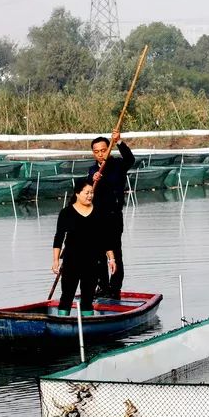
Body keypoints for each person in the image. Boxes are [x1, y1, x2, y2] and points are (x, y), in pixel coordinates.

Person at [52, 177, 116, 317]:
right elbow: (59, 238)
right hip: (71, 261)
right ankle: (63, 324)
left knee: (88, 297)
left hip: (93, 261)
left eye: (91, 193)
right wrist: (56, 260)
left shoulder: (99, 212)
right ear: (77, 193)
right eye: (86, 193)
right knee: (67, 296)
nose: (90, 196)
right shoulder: (66, 213)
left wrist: (111, 259)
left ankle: (88, 327)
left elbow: (106, 238)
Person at [89, 130, 134, 299]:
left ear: (108, 149)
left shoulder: (118, 165)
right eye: (97, 151)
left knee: (115, 253)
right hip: (97, 219)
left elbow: (130, 160)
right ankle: (103, 286)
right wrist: (93, 180)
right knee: (98, 254)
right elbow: (86, 192)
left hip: (113, 217)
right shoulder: (92, 171)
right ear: (93, 153)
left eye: (103, 150)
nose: (100, 154)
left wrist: (119, 141)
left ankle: (115, 288)